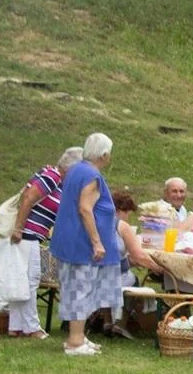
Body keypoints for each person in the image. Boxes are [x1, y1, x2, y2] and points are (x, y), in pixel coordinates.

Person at [50, 134, 122, 357]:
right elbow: (84, 208)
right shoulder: (91, 175)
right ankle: (75, 341)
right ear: (104, 155)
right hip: (82, 243)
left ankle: (79, 336)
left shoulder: (77, 170)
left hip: (72, 239)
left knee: (77, 288)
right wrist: (97, 242)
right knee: (81, 289)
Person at [5, 146, 83, 339]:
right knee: (30, 280)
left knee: (21, 280)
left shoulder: (60, 182)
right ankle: (32, 327)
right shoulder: (52, 176)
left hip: (34, 234)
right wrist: (18, 229)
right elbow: (28, 198)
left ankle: (15, 326)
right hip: (27, 232)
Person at [105, 190, 164, 338]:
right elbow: (139, 256)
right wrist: (156, 268)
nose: (128, 217)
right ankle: (120, 324)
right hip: (114, 277)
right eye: (128, 213)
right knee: (132, 281)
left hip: (94, 274)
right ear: (119, 210)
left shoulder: (97, 222)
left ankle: (107, 321)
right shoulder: (121, 226)